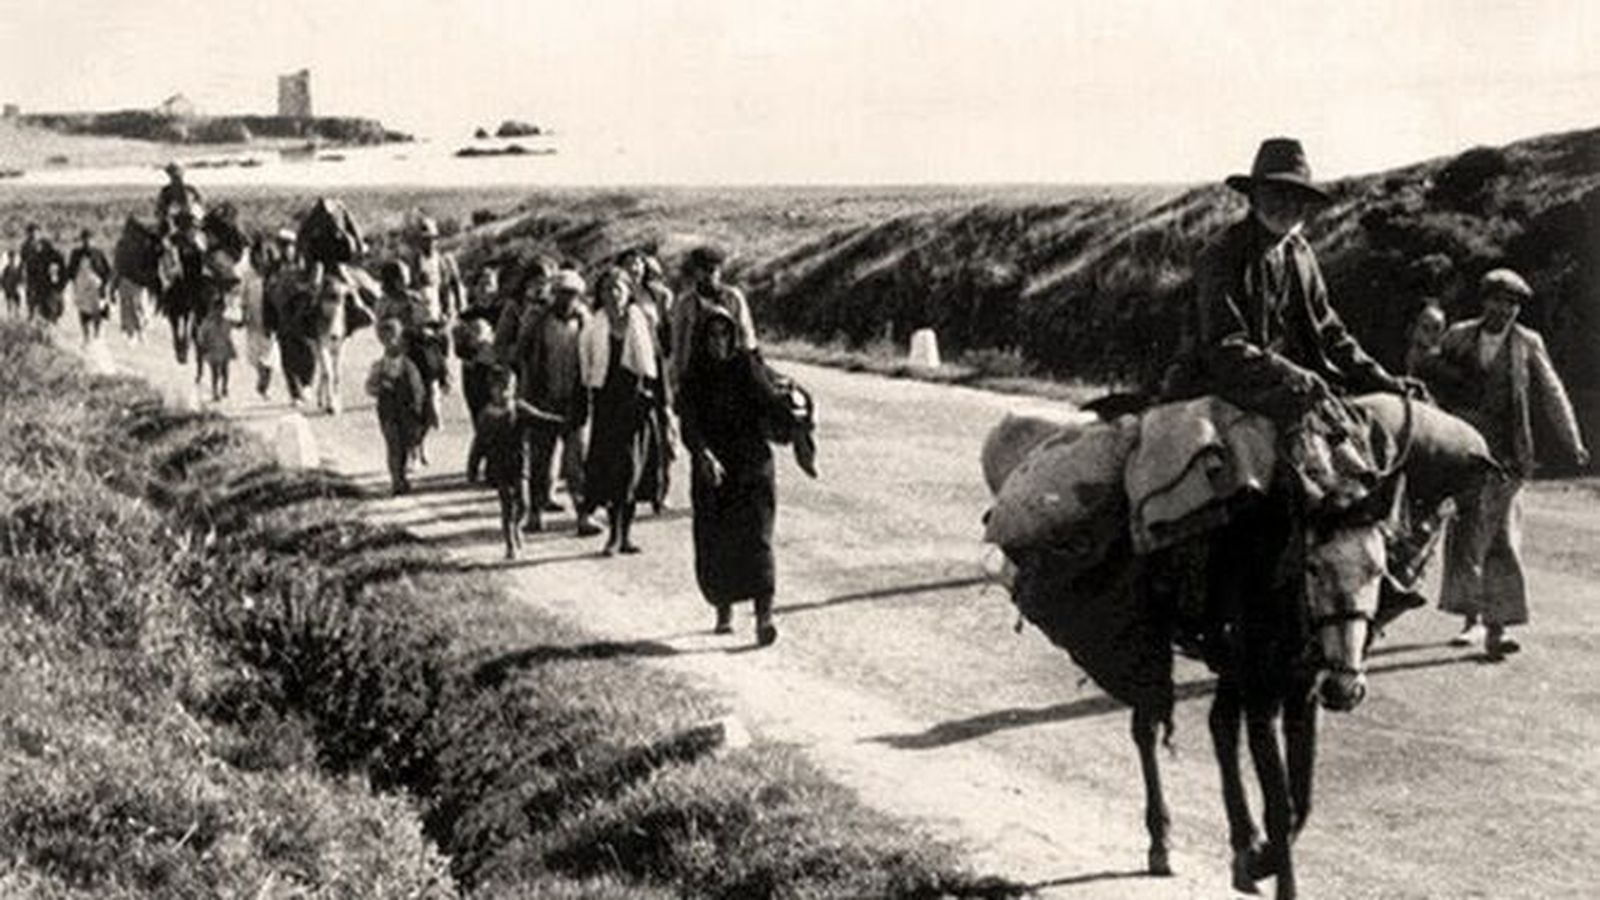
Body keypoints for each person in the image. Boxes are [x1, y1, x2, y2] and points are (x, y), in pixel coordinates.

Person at [1421, 269, 1590, 659]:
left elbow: (1552, 392)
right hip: (1464, 451)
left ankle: (1497, 627)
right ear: (1485, 302)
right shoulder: (1459, 335)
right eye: (1499, 300)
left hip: (1509, 454)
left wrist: (1573, 440)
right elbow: (1430, 379)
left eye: (1513, 303)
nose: (1505, 309)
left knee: (1502, 537)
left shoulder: (1527, 343)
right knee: (1466, 534)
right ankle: (1470, 620)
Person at [680, 308, 817, 645]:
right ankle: (723, 609)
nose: (719, 341)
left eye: (725, 334)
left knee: (757, 539)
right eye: (711, 335)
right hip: (713, 468)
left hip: (751, 463)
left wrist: (799, 425)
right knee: (715, 540)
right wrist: (702, 454)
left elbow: (772, 403)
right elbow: (689, 422)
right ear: (702, 339)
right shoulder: (695, 374)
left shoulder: (745, 367)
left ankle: (764, 618)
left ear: (734, 336)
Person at [581, 267, 669, 555]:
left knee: (632, 469)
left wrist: (660, 403)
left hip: (636, 404)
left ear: (628, 292)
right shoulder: (594, 325)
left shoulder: (639, 322)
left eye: (618, 289)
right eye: (606, 290)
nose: (612, 295)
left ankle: (626, 535)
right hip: (607, 405)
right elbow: (587, 367)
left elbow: (654, 364)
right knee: (611, 470)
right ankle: (614, 535)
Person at [519, 270, 598, 535]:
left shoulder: (586, 322)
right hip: (544, 399)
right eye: (562, 293)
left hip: (576, 400)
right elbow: (522, 354)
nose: (567, 300)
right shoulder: (538, 320)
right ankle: (535, 513)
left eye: (572, 295)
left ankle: (583, 515)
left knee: (578, 461)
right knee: (542, 459)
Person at [476, 367, 568, 559]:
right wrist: (473, 467)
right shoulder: (487, 416)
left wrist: (562, 423)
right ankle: (510, 543)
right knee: (507, 506)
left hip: (520, 465)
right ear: (491, 389)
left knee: (524, 504)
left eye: (508, 388)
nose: (504, 393)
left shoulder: (518, 409)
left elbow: (540, 419)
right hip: (498, 467)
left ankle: (518, 525)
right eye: (499, 388)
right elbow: (478, 444)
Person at [669, 245, 758, 401]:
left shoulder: (733, 297)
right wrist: (678, 380)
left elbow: (746, 334)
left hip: (729, 369)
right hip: (697, 372)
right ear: (696, 272)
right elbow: (678, 342)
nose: (708, 276)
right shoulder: (686, 302)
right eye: (703, 271)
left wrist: (750, 368)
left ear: (720, 272)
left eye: (712, 270)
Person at [366, 318, 428, 496]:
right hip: (388, 412)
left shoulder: (409, 364)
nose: (390, 342)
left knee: (406, 445)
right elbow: (370, 388)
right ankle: (396, 481)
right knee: (393, 446)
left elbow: (418, 390)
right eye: (385, 338)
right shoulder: (379, 365)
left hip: (408, 412)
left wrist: (418, 409)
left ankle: (401, 477)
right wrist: (380, 386)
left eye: (393, 337)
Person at [456, 267, 503, 482]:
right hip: (474, 374)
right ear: (473, 289)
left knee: (499, 419)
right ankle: (478, 463)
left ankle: (494, 467)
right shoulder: (466, 315)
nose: (486, 289)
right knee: (481, 420)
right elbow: (459, 349)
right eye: (482, 284)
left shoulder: (502, 312)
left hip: (497, 373)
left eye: (490, 283)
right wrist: (476, 351)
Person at [264, 232, 318, 407]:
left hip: (303, 317)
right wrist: (268, 321)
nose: (286, 249)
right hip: (283, 318)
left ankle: (307, 384)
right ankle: (295, 393)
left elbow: (313, 288)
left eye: (289, 245)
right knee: (288, 357)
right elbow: (267, 296)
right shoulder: (274, 269)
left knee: (308, 353)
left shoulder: (303, 266)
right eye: (283, 245)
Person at [404, 217, 464, 322]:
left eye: (431, 239)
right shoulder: (414, 262)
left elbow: (455, 284)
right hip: (424, 311)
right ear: (419, 241)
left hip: (445, 310)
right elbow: (410, 287)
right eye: (425, 240)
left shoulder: (445, 261)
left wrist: (459, 306)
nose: (429, 243)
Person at [240, 239, 278, 398]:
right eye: (256, 255)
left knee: (270, 356)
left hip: (270, 319)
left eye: (263, 255)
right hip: (254, 319)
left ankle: (265, 385)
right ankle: (261, 377)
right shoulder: (248, 275)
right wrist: (243, 315)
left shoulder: (273, 275)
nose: (260, 258)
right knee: (256, 357)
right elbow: (243, 297)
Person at [65, 229, 111, 344]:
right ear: (82, 240)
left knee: (98, 310)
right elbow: (70, 270)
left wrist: (104, 284)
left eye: (89, 239)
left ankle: (97, 335)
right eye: (85, 239)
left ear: (93, 240)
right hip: (81, 287)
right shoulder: (76, 253)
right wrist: (70, 283)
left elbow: (107, 270)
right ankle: (86, 337)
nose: (87, 242)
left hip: (96, 286)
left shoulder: (98, 253)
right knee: (83, 311)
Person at [20, 224, 65, 323]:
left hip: (45, 277)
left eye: (35, 232)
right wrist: (23, 276)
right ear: (27, 234)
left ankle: (51, 321)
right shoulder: (25, 246)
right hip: (32, 278)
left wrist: (56, 271)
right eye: (30, 233)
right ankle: (33, 317)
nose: (33, 235)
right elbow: (23, 263)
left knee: (49, 301)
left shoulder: (46, 244)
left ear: (39, 233)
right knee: (32, 301)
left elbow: (55, 257)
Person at [155, 162, 203, 235]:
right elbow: (161, 207)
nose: (176, 177)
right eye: (173, 175)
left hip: (190, 219)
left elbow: (200, 202)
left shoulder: (190, 188)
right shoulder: (166, 191)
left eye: (177, 175)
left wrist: (195, 211)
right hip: (173, 221)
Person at [1405, 300, 1447, 377]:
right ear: (1415, 330)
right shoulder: (1415, 357)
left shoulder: (1451, 352)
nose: (1432, 335)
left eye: (1437, 328)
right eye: (1425, 328)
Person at [1, 251, 22, 317]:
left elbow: (18, 277)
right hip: (9, 287)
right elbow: (3, 278)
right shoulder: (7, 268)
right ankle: (11, 313)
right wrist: (3, 286)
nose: (12, 259)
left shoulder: (14, 267)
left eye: (13, 257)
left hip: (13, 286)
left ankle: (16, 312)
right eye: (11, 257)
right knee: (10, 300)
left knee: (16, 299)